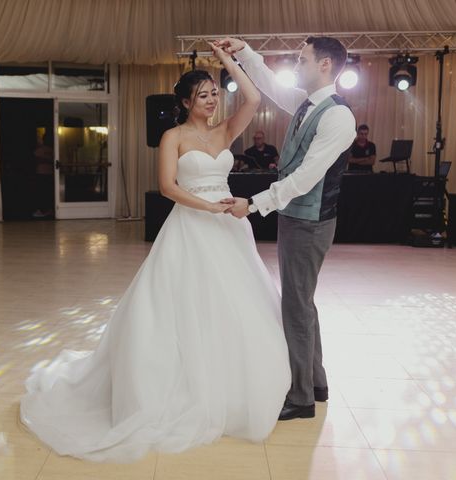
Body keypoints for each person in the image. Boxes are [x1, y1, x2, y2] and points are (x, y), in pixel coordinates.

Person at [20, 43, 290, 463]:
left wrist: (227, 62)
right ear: (185, 103)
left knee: (235, 302)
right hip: (193, 225)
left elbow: (253, 97)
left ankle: (233, 384)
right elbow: (168, 187)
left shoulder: (225, 132)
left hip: (229, 230)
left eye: (215, 93)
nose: (213, 99)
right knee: (182, 304)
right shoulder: (174, 137)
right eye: (203, 95)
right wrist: (209, 207)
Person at [215, 36, 356, 420]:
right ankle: (317, 382)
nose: (297, 63)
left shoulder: (337, 116)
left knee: (295, 306)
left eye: (303, 58)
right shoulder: (306, 104)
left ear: (325, 64)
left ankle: (301, 397)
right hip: (297, 219)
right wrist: (243, 52)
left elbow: (305, 179)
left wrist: (254, 204)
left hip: (310, 223)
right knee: (302, 301)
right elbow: (269, 83)